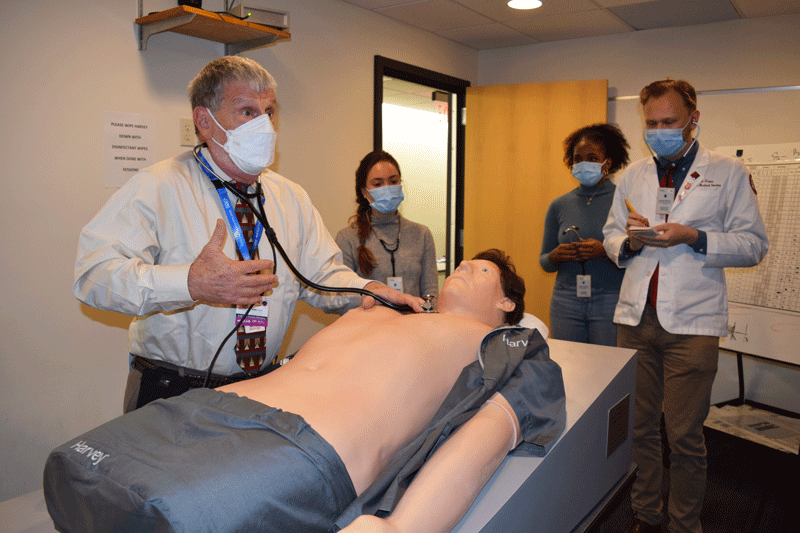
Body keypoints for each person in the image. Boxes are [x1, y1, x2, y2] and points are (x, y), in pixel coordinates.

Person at [44, 250, 566, 533]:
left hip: (295, 449)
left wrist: (403, 527)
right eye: (465, 262)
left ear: (506, 305)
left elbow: (488, 433)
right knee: (78, 467)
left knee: (164, 515)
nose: (465, 267)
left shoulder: (504, 343)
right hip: (211, 409)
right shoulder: (379, 311)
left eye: (482, 270)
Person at [73, 56, 421, 414]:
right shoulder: (158, 186)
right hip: (172, 390)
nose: (266, 126)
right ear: (204, 122)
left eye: (269, 111)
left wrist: (368, 291)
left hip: (262, 387)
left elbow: (321, 276)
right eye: (247, 112)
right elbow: (93, 276)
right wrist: (189, 283)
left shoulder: (290, 197)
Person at [603, 79, 769, 533]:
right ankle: (647, 516)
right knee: (640, 428)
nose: (658, 131)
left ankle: (684, 524)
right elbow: (611, 235)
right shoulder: (633, 174)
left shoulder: (728, 174)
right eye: (651, 123)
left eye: (669, 122)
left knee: (683, 435)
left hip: (692, 325)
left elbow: (753, 245)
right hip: (637, 318)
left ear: (693, 118)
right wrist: (630, 243)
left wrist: (693, 236)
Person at [539, 123, 630, 346]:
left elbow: (638, 257)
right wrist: (556, 255)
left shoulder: (625, 201)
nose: (582, 164)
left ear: (607, 162)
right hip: (566, 298)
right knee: (569, 366)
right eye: (577, 159)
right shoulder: (559, 205)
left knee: (608, 367)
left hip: (610, 298)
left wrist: (605, 251)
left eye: (591, 157)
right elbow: (544, 262)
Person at [336, 150, 439, 300]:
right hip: (368, 322)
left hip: (413, 322)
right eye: (378, 184)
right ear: (364, 191)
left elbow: (431, 294)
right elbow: (341, 297)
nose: (387, 188)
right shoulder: (347, 238)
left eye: (393, 181)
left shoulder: (422, 234)